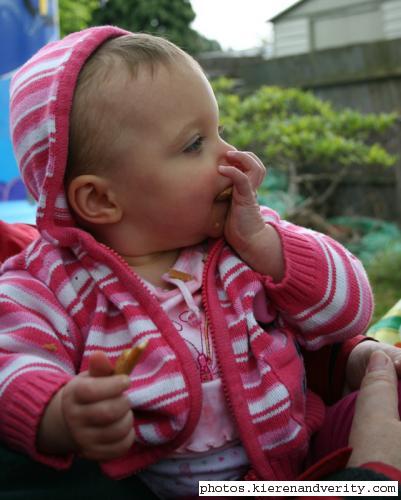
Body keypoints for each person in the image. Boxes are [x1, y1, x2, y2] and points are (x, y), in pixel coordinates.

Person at [0, 25, 399, 499]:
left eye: (220, 131)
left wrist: (269, 247)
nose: (231, 155)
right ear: (100, 199)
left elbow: (349, 311)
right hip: (163, 487)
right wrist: (57, 411)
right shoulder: (52, 282)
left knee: (382, 391)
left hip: (305, 454)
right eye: (195, 144)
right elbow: (10, 359)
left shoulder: (240, 241)